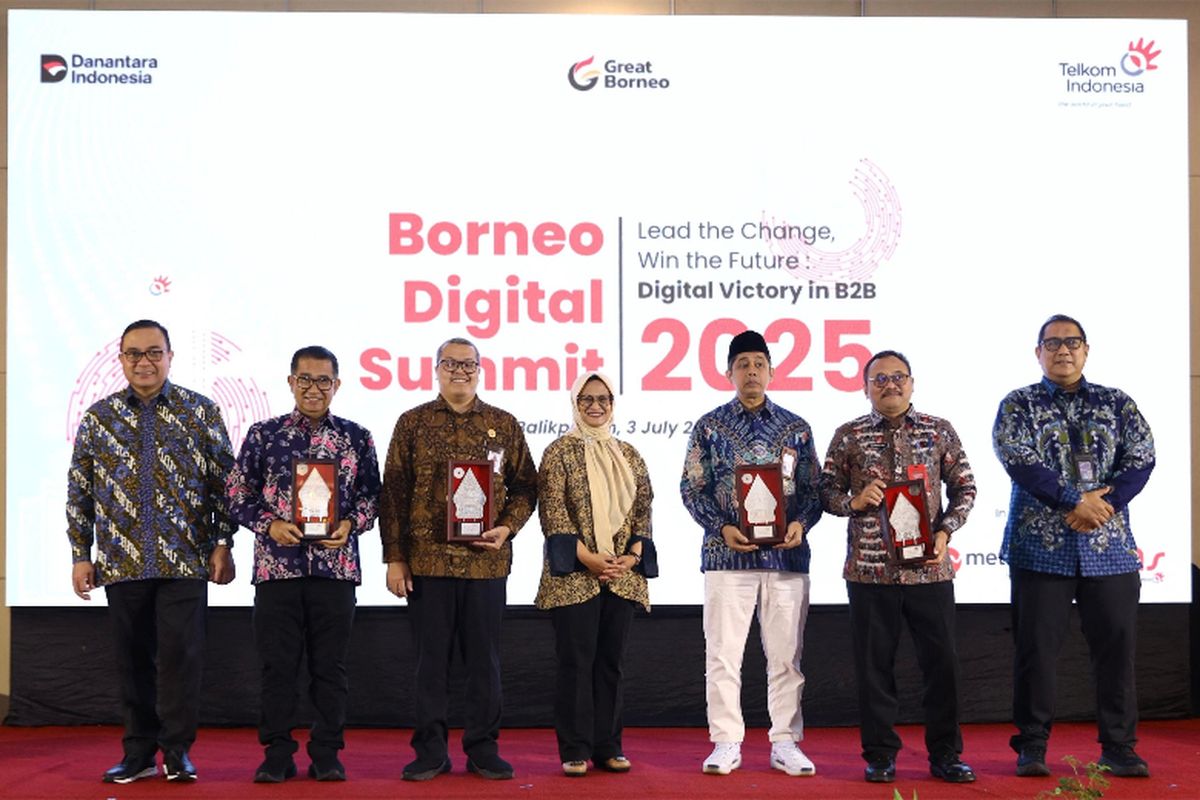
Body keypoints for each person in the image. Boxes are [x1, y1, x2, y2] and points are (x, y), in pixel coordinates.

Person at [67, 319, 235, 784]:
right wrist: (81, 553)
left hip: (186, 559)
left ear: (170, 356)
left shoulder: (200, 411)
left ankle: (177, 753)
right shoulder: (99, 418)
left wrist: (223, 542)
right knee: (132, 660)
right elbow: (80, 490)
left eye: (154, 352)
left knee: (182, 659)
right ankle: (138, 753)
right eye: (134, 353)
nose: (145, 362)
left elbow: (224, 485)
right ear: (121, 359)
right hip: (121, 561)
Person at [993, 314, 1155, 779]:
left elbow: (1142, 458)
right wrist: (1073, 500)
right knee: (1036, 651)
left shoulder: (1117, 403)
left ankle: (1119, 748)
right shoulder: (1018, 404)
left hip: (1110, 548)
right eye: (1052, 343)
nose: (1063, 350)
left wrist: (1104, 505)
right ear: (1038, 352)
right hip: (1039, 548)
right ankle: (1032, 747)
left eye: (1072, 342)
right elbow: (1018, 459)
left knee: (1116, 651)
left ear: (1086, 350)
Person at [380, 337, 538, 782]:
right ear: (436, 370)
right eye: (450, 364)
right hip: (427, 565)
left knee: (484, 663)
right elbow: (392, 493)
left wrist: (507, 527)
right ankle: (430, 752)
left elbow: (527, 487)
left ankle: (483, 748)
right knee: (430, 664)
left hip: (485, 566)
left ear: (480, 371)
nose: (460, 371)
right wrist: (395, 557)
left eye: (468, 365)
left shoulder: (503, 424)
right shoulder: (412, 423)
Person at [819, 350, 977, 784]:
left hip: (930, 570)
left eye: (898, 377)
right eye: (880, 378)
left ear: (911, 383)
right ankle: (880, 755)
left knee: (942, 666)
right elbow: (824, 493)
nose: (890, 384)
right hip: (870, 572)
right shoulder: (848, 435)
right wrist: (853, 501)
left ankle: (946, 755)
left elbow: (965, 488)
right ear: (865, 387)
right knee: (875, 668)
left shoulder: (938, 430)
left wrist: (945, 532)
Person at [226, 345, 381, 783]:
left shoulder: (356, 437)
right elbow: (236, 493)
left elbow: (373, 495)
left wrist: (351, 523)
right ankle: (277, 752)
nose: (314, 388)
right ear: (291, 382)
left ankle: (327, 753)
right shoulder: (264, 435)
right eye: (306, 379)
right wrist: (269, 524)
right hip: (278, 569)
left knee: (330, 668)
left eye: (323, 380)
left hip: (335, 570)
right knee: (278, 668)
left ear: (337, 384)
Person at [679, 329, 823, 778]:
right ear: (729, 373)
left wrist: (801, 524)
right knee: (723, 655)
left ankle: (785, 743)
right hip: (727, 557)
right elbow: (692, 488)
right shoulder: (709, 426)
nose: (752, 371)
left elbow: (814, 491)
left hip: (785, 559)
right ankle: (726, 742)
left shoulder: (796, 429)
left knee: (786, 658)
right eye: (743, 365)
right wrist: (720, 527)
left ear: (772, 371)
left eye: (759, 364)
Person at [534, 372, 655, 778]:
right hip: (574, 577)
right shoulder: (559, 452)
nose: (595, 406)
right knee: (575, 663)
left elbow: (643, 512)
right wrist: (589, 558)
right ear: (575, 403)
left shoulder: (630, 455)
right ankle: (574, 749)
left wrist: (631, 558)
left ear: (612, 404)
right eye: (586, 399)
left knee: (610, 664)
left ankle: (609, 747)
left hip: (621, 575)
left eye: (603, 398)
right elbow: (553, 513)